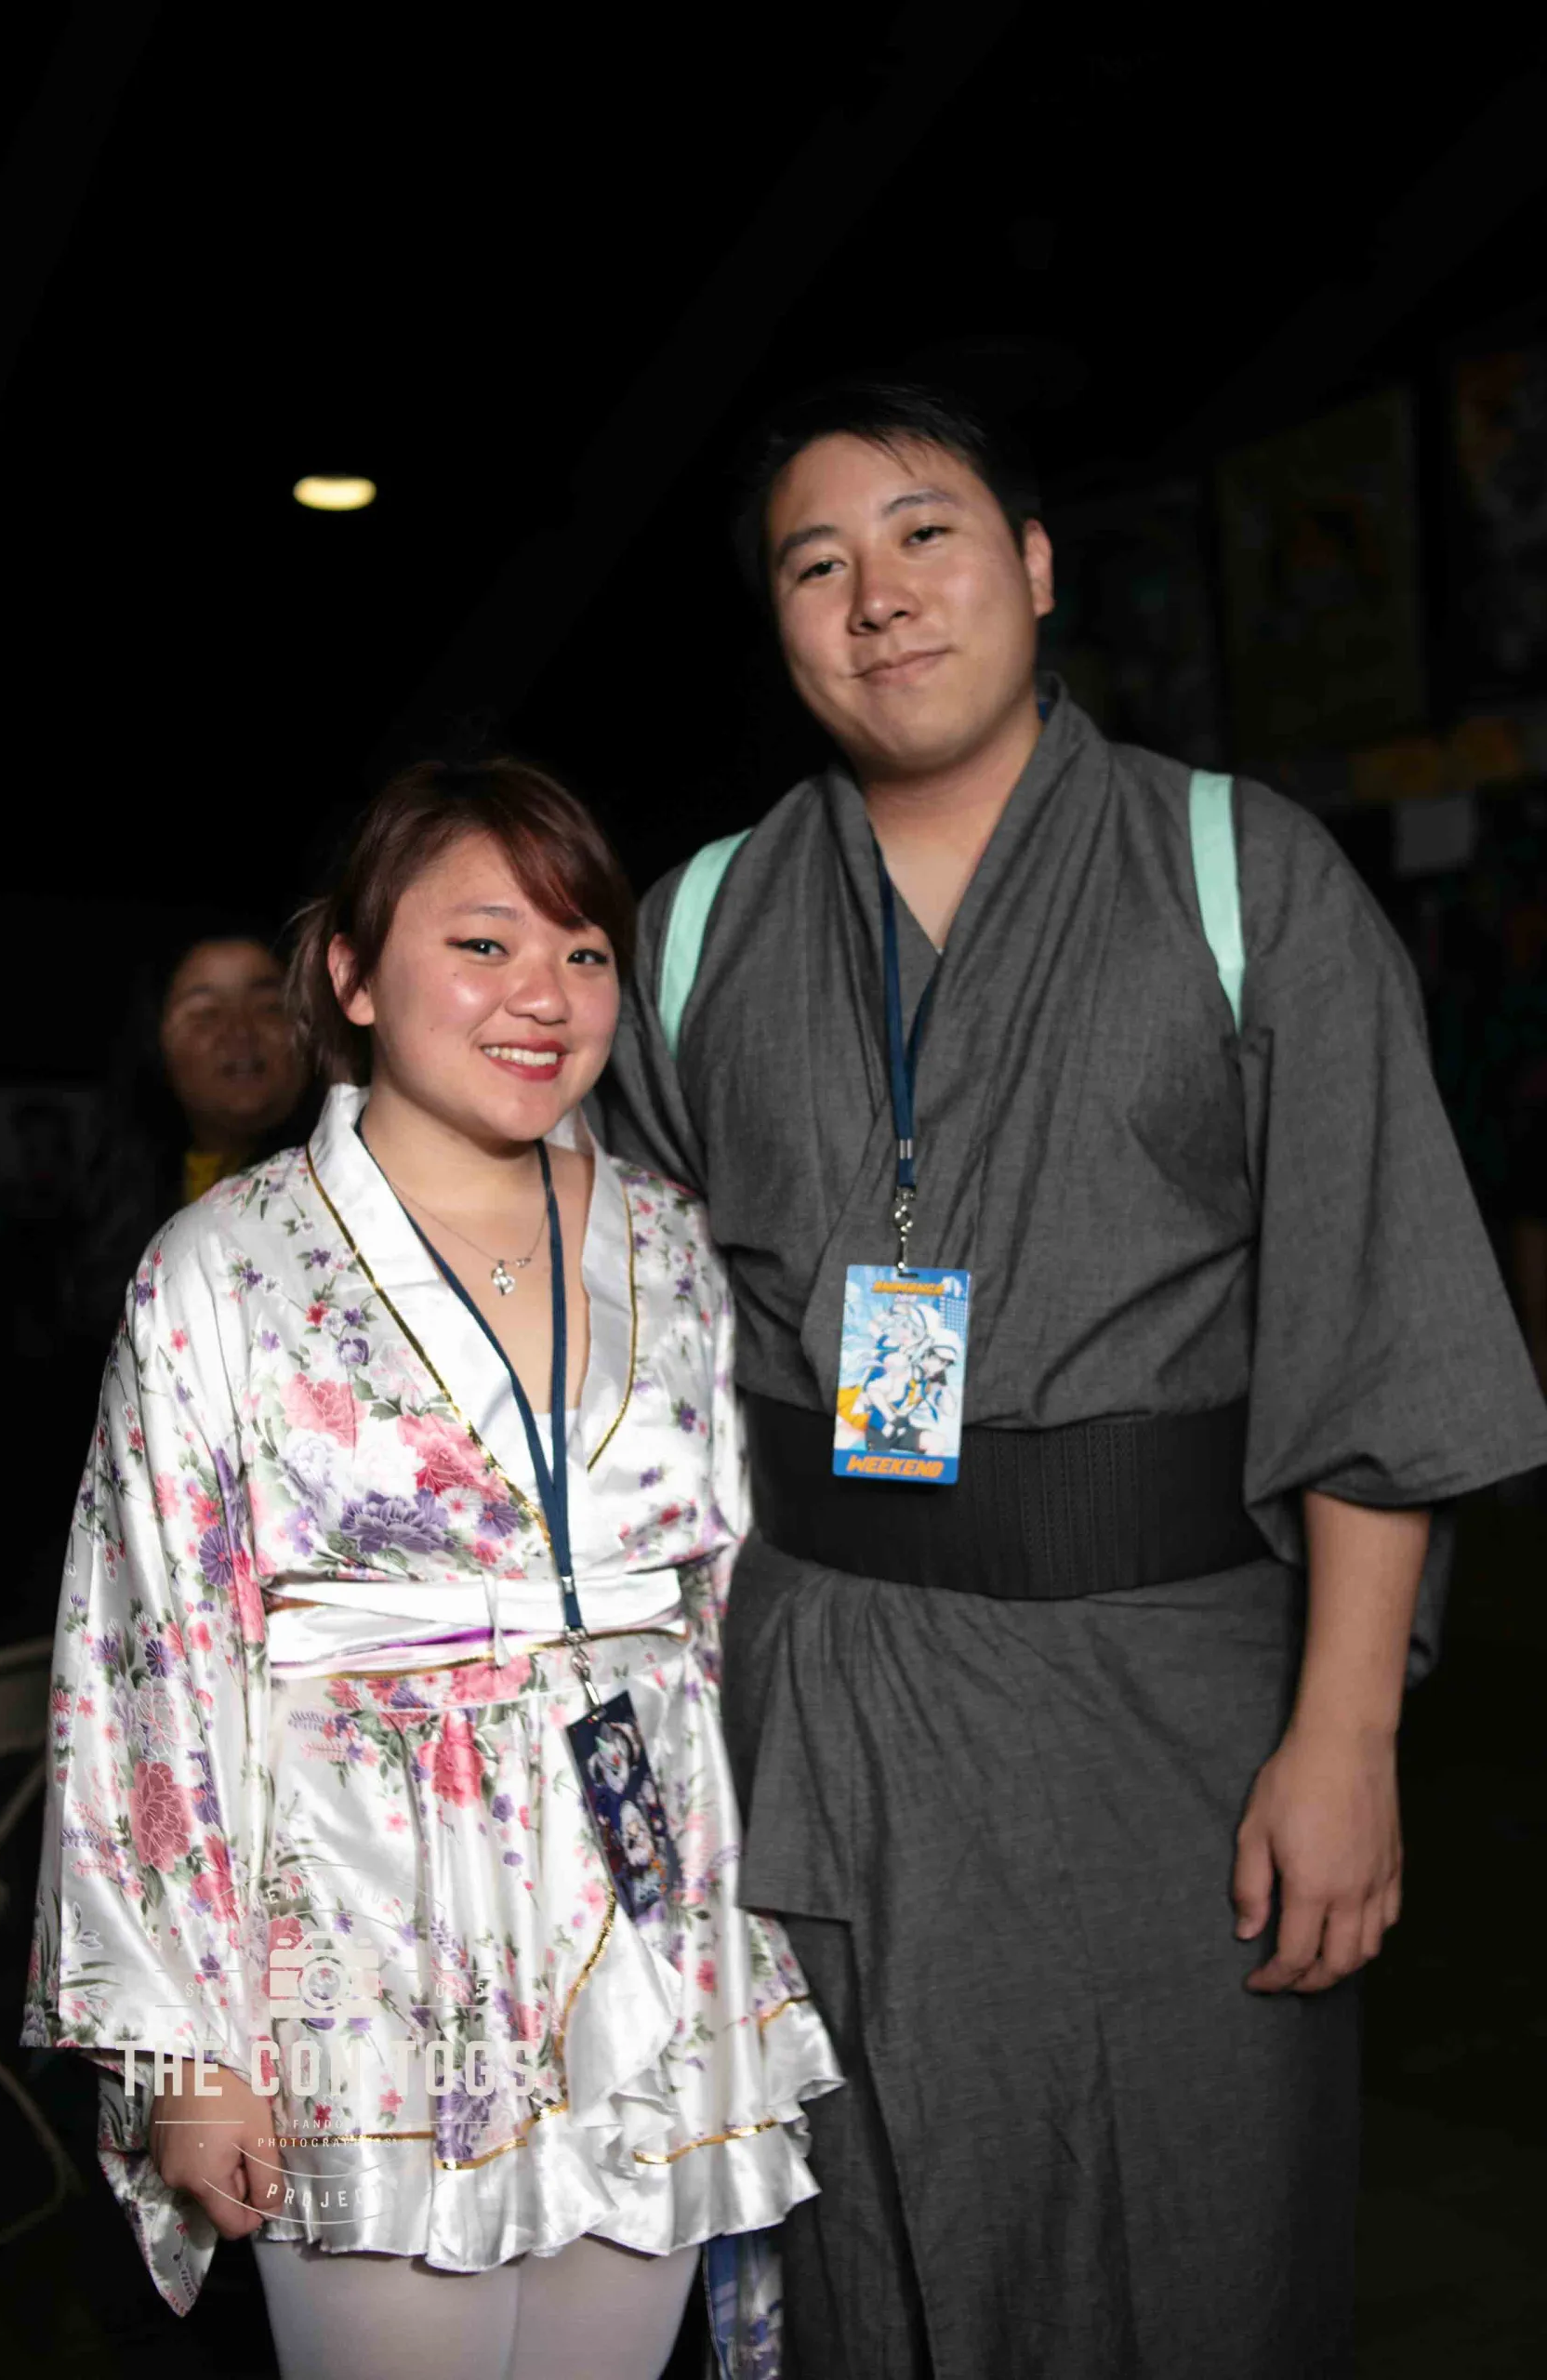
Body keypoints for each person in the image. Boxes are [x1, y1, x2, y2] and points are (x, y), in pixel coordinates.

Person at [597, 378, 1547, 2378]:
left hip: (1167, 1714)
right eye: (816, 562)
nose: (877, 595)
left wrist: (1346, 1736)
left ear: (1032, 567)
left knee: (1191, 2259)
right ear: (777, 622)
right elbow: (613, 1363)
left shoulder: (1237, 874)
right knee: (858, 2276)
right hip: (817, 1716)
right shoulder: (691, 931)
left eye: (924, 534)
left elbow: (1378, 1328)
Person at [24, 758, 839, 2380]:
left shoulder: (675, 1244)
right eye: (482, 944)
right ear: (351, 976)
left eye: (583, 950)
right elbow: (143, 1659)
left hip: (645, 1909)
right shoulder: (223, 1268)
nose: (544, 993)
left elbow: (741, 1595)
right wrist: (187, 2047)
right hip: (359, 1946)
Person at [74, 928, 316, 1345]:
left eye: (270, 1007)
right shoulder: (114, 1202)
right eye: (205, 1013)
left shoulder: (347, 1186)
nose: (240, 1032)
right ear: (155, 1043)